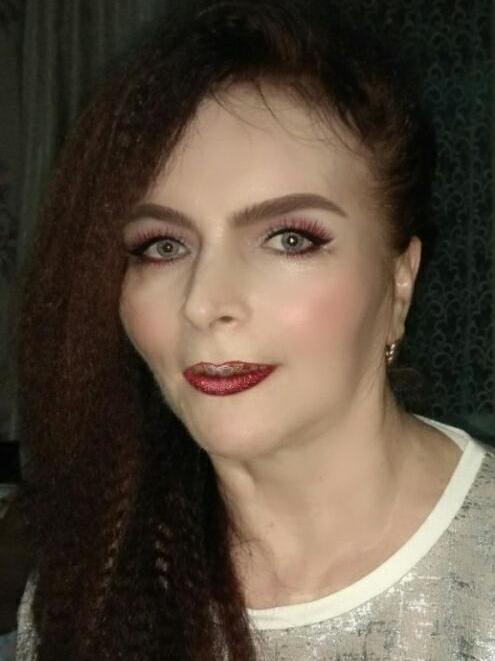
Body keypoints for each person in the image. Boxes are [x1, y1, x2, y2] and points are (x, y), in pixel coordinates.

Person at [13, 0, 495, 659]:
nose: (204, 303)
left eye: (289, 238)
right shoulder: (89, 590)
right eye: (162, 246)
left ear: (399, 278)